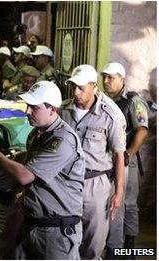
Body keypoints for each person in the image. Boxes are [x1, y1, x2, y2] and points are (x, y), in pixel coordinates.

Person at [0, 81, 85, 259]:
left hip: (56, 233)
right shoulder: (37, 133)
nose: (27, 112)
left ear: (52, 109)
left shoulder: (62, 141)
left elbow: (25, 175)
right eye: (28, 106)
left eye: (34, 107)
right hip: (33, 225)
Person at [59, 64, 126, 259]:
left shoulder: (110, 115)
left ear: (93, 86)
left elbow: (118, 155)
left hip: (95, 184)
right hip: (66, 183)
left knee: (93, 242)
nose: (76, 92)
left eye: (81, 87)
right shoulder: (63, 111)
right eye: (73, 87)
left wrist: (118, 192)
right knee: (65, 239)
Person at [102, 63, 149, 256]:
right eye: (104, 77)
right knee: (111, 204)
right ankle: (113, 244)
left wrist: (128, 154)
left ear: (122, 79)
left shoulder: (132, 101)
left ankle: (128, 246)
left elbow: (142, 130)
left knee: (128, 203)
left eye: (110, 78)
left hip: (125, 160)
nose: (105, 81)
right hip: (107, 159)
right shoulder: (102, 99)